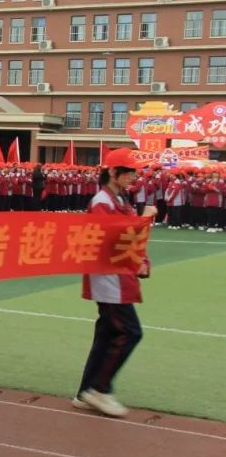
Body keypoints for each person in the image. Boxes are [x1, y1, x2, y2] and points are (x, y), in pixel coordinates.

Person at [74, 148, 154, 418]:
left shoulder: (120, 200)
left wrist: (141, 261)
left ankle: (86, 391)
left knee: (107, 334)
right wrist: (144, 220)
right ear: (113, 172)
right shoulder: (102, 201)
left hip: (117, 275)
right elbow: (107, 239)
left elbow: (129, 238)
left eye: (134, 173)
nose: (133, 177)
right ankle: (99, 388)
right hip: (109, 279)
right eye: (129, 172)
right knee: (130, 332)